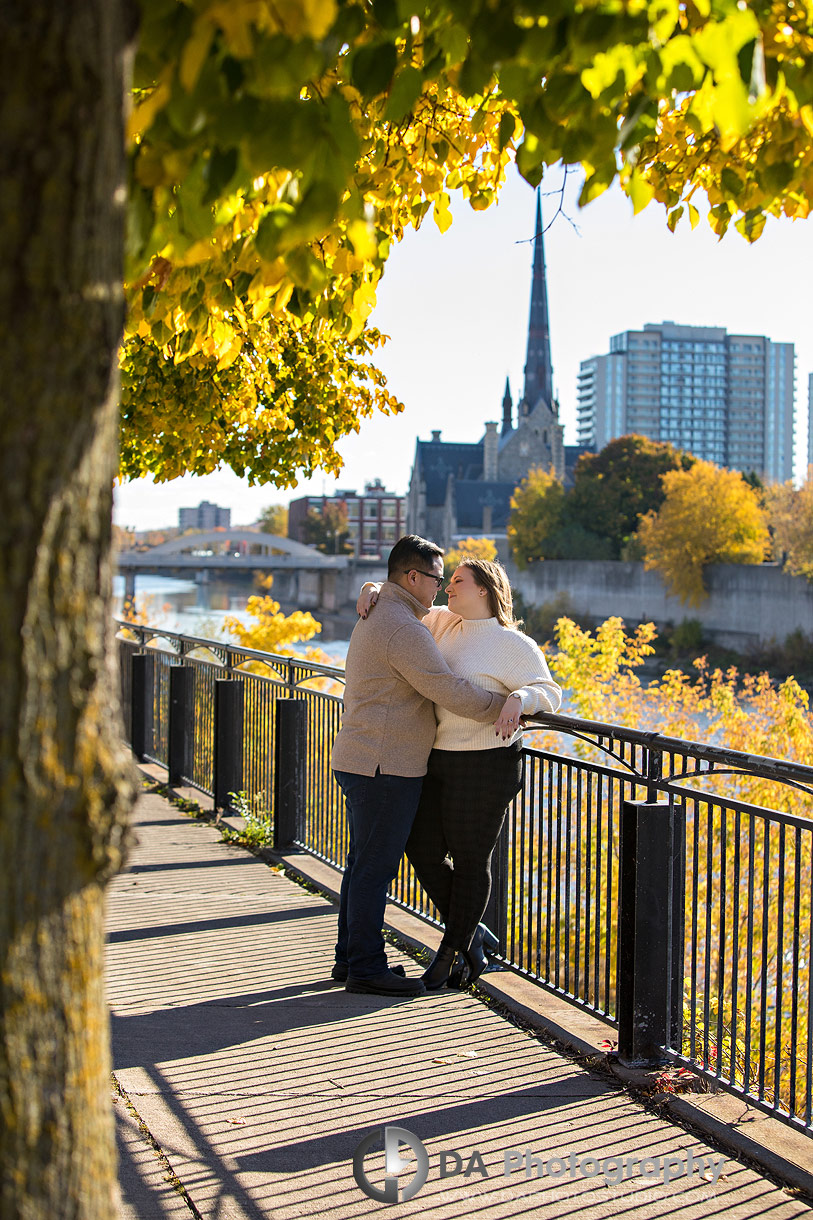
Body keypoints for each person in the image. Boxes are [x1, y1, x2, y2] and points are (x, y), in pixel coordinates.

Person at [357, 557, 562, 990]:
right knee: (421, 848)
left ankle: (450, 953)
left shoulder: (513, 644)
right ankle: (472, 939)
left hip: (488, 764)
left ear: (484, 589)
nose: (448, 588)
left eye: (458, 582)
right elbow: (401, 602)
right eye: (447, 581)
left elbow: (549, 692)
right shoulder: (443, 624)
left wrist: (519, 698)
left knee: (471, 861)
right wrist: (373, 587)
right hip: (437, 760)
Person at [331, 536, 520, 998]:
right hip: (385, 763)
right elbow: (447, 689)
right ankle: (367, 968)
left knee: (361, 865)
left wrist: (372, 585)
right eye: (436, 579)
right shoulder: (404, 628)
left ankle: (349, 958)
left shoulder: (385, 612)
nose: (440, 588)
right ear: (412, 577)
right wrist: (502, 707)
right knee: (375, 868)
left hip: (365, 757)